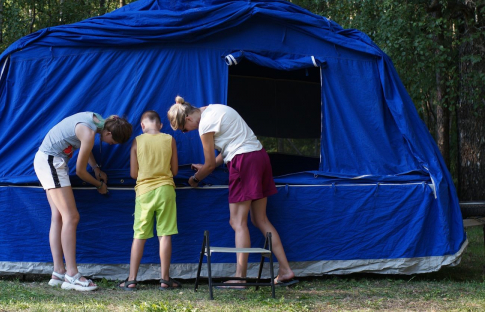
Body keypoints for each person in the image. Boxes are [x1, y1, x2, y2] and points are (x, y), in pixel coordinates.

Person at [167, 96, 297, 288]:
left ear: (187, 119)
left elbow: (210, 165)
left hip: (243, 162)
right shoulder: (215, 108)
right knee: (260, 220)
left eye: (185, 130)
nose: (187, 132)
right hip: (259, 157)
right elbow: (228, 147)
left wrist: (195, 179)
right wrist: (205, 166)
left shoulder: (204, 126)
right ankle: (286, 270)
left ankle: (240, 278)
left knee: (237, 222)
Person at [34, 112, 132, 291]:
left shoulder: (96, 120)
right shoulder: (88, 132)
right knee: (71, 217)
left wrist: (95, 168)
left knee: (59, 217)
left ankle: (58, 272)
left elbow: (85, 147)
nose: (109, 144)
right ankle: (71, 275)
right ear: (109, 133)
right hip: (51, 163)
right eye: (111, 143)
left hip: (49, 161)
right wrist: (99, 185)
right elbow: (80, 171)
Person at [118, 110, 181, 291]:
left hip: (144, 192)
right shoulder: (170, 139)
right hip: (166, 190)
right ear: (160, 125)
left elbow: (133, 174)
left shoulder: (137, 141)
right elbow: (175, 171)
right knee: (165, 234)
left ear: (143, 126)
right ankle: (165, 279)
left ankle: (131, 280)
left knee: (139, 235)